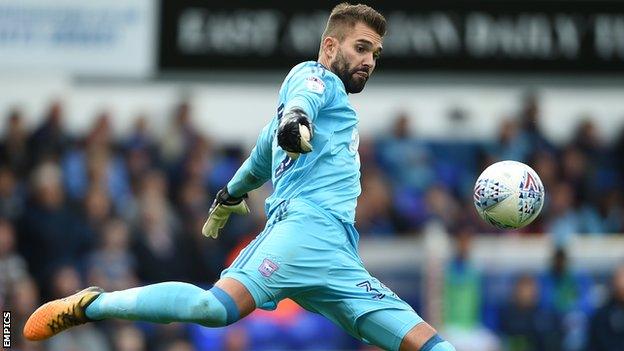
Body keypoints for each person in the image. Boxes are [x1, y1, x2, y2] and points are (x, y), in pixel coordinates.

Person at [23, 4, 455, 351]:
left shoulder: (313, 118)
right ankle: (93, 304)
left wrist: (230, 195)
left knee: (431, 345)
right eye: (361, 47)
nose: (368, 60)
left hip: (340, 256)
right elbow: (303, 99)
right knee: (215, 309)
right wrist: (296, 118)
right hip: (302, 233)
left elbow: (257, 163)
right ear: (329, 47)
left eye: (375, 53)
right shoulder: (317, 77)